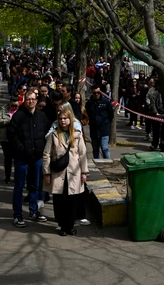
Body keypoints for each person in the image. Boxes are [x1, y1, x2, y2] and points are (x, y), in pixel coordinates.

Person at [43, 107, 89, 236]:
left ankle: (70, 226)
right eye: (61, 119)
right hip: (58, 173)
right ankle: (63, 226)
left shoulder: (77, 135)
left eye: (65, 118)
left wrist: (84, 172)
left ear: (70, 119)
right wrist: (47, 173)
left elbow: (83, 154)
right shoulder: (54, 135)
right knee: (59, 201)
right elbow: (46, 154)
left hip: (74, 172)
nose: (63, 121)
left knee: (72, 201)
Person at [8, 90, 50, 227]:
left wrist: (41, 149)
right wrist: (21, 149)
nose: (31, 101)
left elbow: (47, 133)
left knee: (34, 186)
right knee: (19, 187)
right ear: (24, 101)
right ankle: (17, 214)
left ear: (36, 101)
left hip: (36, 157)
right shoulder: (18, 117)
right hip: (22, 158)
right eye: (28, 99)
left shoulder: (42, 116)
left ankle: (33, 211)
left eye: (33, 99)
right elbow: (12, 136)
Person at [84, 85, 114, 159]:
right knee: (95, 150)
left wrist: (106, 123)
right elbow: (87, 113)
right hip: (94, 130)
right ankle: (97, 164)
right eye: (95, 93)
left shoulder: (106, 102)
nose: (96, 94)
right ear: (92, 92)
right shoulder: (89, 103)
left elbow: (111, 114)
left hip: (104, 129)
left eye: (98, 92)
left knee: (104, 149)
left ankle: (108, 163)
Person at [0, 98, 20, 184]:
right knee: (8, 157)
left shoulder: (20, 112)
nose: (14, 107)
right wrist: (8, 121)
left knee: (17, 158)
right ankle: (7, 176)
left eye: (16, 106)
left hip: (16, 138)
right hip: (5, 138)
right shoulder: (3, 110)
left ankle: (17, 177)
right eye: (12, 105)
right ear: (9, 104)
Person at [145, 79, 164, 150]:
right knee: (156, 130)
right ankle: (155, 144)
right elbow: (152, 104)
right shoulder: (153, 92)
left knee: (163, 131)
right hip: (156, 114)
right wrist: (156, 112)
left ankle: (162, 144)